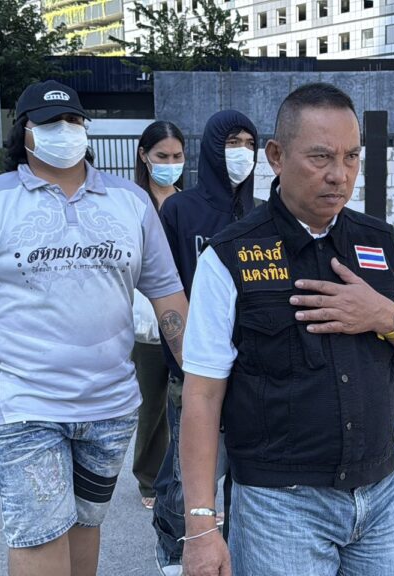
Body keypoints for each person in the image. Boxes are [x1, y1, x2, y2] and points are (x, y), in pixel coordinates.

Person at [178, 83, 394, 576]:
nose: (339, 175)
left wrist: (384, 315)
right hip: (280, 507)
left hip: (379, 497)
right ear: (277, 156)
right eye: (321, 156)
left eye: (351, 157)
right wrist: (201, 525)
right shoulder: (231, 256)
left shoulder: (380, 243)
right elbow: (201, 395)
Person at [0, 80, 188, 576]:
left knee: (84, 526)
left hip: (110, 405)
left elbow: (167, 296)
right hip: (24, 403)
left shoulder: (130, 202)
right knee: (40, 535)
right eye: (50, 122)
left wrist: (197, 373)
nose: (64, 130)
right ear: (24, 133)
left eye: (73, 120)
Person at [151, 110, 259, 575]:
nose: (242, 152)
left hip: (251, 371)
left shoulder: (261, 212)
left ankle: (232, 552)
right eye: (232, 143)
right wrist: (184, 361)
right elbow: (165, 288)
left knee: (245, 475)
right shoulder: (180, 210)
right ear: (213, 148)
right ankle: (174, 550)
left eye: (250, 143)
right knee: (189, 475)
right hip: (193, 369)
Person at [131, 120, 187, 511]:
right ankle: (149, 480)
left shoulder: (188, 203)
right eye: (162, 156)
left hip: (185, 318)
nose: (170, 164)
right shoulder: (132, 202)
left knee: (187, 403)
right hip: (144, 322)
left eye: (177, 156)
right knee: (152, 407)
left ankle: (185, 478)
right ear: (144, 156)